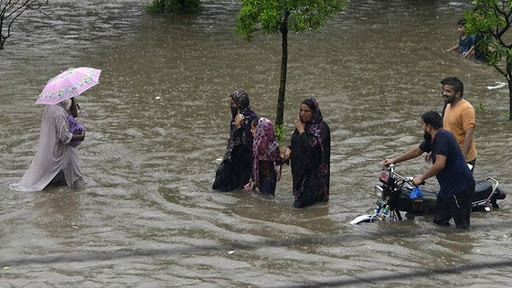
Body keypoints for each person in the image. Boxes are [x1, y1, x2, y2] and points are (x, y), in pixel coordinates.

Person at [382, 111, 475, 229]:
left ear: (428, 127)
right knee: (439, 222)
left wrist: (421, 177)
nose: (422, 127)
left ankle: (464, 245)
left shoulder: (442, 138)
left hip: (459, 188)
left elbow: (440, 164)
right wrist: (394, 160)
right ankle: (449, 244)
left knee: (462, 227)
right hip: (447, 189)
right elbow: (417, 151)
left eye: (422, 125)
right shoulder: (433, 138)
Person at [10, 97, 86, 192]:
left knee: (51, 186)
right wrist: (82, 136)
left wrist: (73, 99)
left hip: (50, 151)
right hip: (60, 153)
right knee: (76, 183)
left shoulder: (49, 107)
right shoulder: (60, 113)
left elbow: (73, 115)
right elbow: (65, 137)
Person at [283, 98, 330, 208]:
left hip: (313, 174)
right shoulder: (302, 125)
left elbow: (312, 148)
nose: (302, 114)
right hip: (300, 171)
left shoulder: (321, 128)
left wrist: (302, 132)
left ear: (314, 112)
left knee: (301, 206)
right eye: (301, 110)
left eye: (306, 111)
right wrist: (288, 149)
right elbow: (295, 142)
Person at [213, 89, 258, 191]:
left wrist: (240, 126)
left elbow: (249, 141)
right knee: (219, 183)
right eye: (231, 104)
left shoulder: (251, 118)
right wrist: (228, 153)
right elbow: (231, 138)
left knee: (240, 187)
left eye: (233, 104)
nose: (232, 106)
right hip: (233, 155)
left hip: (245, 158)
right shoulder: (235, 117)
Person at [440, 77, 477, 170]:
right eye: (443, 90)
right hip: (448, 155)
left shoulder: (466, 109)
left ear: (457, 94)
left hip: (463, 158)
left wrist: (462, 160)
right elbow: (444, 129)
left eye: (448, 91)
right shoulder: (448, 105)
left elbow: (469, 135)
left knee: (460, 184)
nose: (444, 93)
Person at [244, 118, 283, 196]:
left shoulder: (273, 146)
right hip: (259, 177)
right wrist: (253, 178)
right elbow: (255, 162)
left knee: (267, 198)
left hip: (269, 178)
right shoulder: (256, 143)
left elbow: (278, 161)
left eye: (253, 129)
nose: (251, 131)